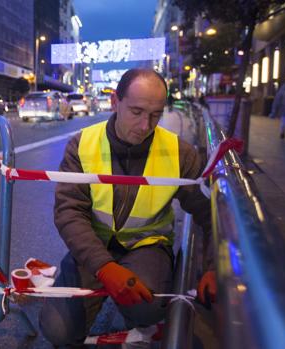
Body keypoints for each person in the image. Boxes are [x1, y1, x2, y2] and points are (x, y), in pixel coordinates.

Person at [39, 68, 216, 348]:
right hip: (93, 244)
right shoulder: (82, 144)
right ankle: (93, 292)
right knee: (58, 332)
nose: (146, 125)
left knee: (146, 309)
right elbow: (69, 212)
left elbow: (210, 213)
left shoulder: (180, 152)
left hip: (147, 246)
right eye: (136, 112)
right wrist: (104, 267)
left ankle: (133, 312)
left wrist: (214, 267)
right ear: (114, 102)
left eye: (156, 114)